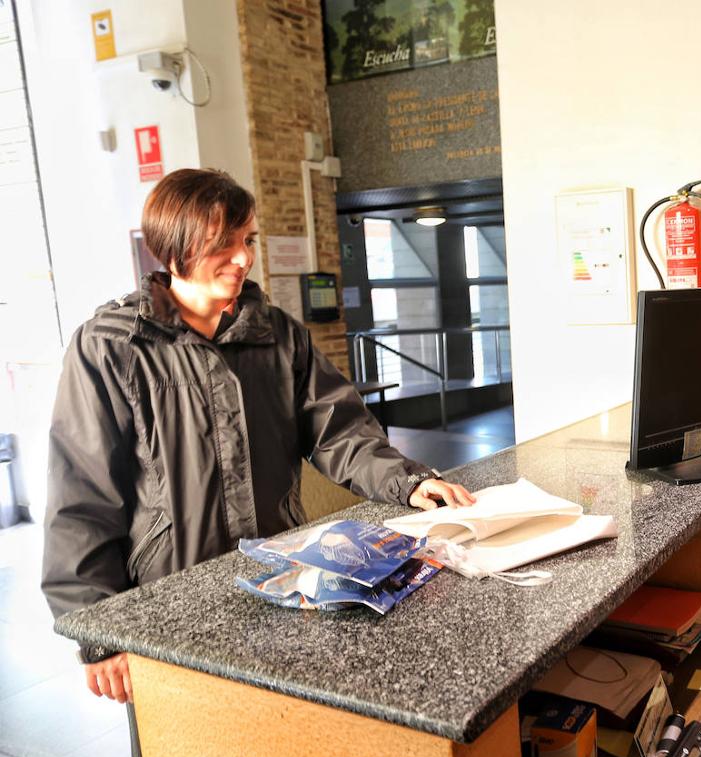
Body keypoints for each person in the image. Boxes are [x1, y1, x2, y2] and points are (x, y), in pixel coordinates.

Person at [41, 169, 475, 710]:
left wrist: (407, 483)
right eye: (223, 244)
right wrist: (97, 630)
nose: (243, 257)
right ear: (173, 248)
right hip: (170, 603)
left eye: (246, 240)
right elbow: (81, 497)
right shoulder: (111, 347)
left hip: (282, 582)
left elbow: (339, 431)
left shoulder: (276, 335)